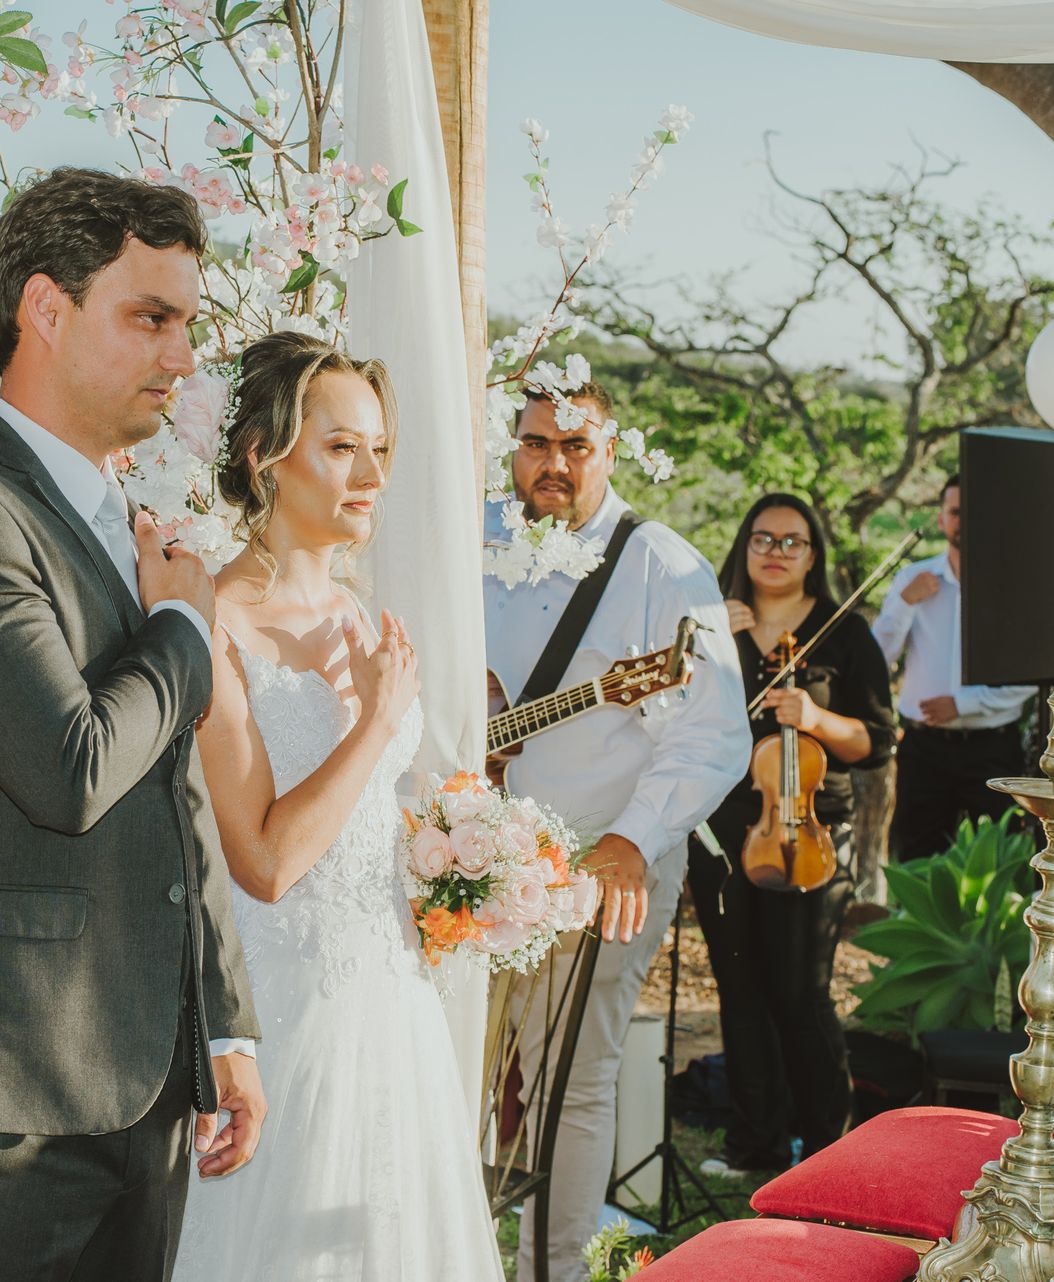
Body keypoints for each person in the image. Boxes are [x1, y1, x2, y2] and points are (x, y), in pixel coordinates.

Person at [0, 167, 263, 1282]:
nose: (182, 357)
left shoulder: (113, 517)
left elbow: (173, 784)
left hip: (140, 1092)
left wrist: (224, 1025)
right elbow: (72, 765)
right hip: (0, 1108)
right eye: (152, 318)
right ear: (45, 309)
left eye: (187, 324)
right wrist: (186, 631)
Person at [170, 332, 502, 1280]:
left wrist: (466, 867)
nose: (370, 475)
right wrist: (375, 721)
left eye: (380, 450)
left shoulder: (357, 614)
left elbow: (362, 820)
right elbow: (265, 864)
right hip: (286, 1013)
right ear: (261, 455)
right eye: (341, 447)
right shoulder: (216, 625)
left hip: (391, 999)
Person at [484, 381, 748, 1282]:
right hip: (467, 857)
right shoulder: (471, 535)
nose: (552, 463)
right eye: (535, 443)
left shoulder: (662, 566)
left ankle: (552, 1271)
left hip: (601, 860)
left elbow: (715, 731)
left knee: (570, 1080)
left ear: (612, 449)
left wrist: (633, 838)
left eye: (576, 445)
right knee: (454, 1067)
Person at [690, 494, 896, 1176]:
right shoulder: (713, 624)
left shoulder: (844, 634)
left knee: (801, 994)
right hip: (722, 836)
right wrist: (701, 635)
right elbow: (668, 709)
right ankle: (757, 1147)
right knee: (740, 991)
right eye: (763, 539)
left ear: (814, 555)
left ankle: (830, 1153)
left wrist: (814, 718)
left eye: (792, 542)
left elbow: (877, 742)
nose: (776, 552)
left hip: (809, 833)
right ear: (743, 546)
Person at [872, 478, 1034, 862]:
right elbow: (877, 657)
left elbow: (1032, 677)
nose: (963, 520)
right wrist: (904, 605)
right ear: (942, 519)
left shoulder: (1015, 587)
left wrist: (963, 704)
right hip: (923, 749)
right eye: (956, 511)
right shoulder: (911, 580)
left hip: (993, 747)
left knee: (998, 860)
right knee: (918, 860)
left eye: (973, 512)